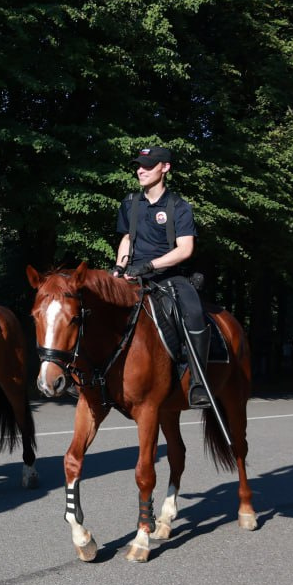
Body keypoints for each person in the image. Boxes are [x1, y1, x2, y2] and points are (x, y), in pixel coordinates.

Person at [111, 146, 209, 408]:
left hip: (169, 276)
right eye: (139, 165)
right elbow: (127, 239)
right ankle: (94, 377)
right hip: (132, 275)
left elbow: (185, 249)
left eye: (148, 165)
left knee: (193, 311)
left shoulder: (179, 206)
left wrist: (150, 266)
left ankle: (199, 383)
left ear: (165, 168)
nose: (140, 170)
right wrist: (119, 269)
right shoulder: (130, 203)